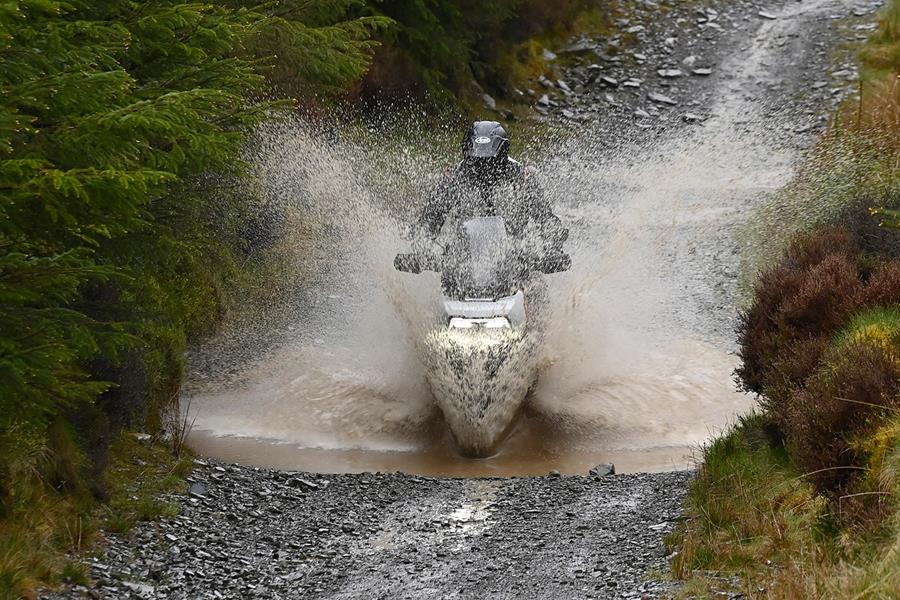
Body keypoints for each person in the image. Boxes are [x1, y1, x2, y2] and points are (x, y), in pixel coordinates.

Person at [400, 120, 569, 275]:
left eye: (490, 162)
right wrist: (420, 249)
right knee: (448, 271)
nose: (483, 169)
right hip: (463, 260)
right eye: (477, 163)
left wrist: (552, 247)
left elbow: (544, 217)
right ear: (467, 155)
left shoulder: (522, 177)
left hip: (514, 257)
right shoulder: (454, 177)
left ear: (501, 156)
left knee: (535, 285)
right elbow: (432, 215)